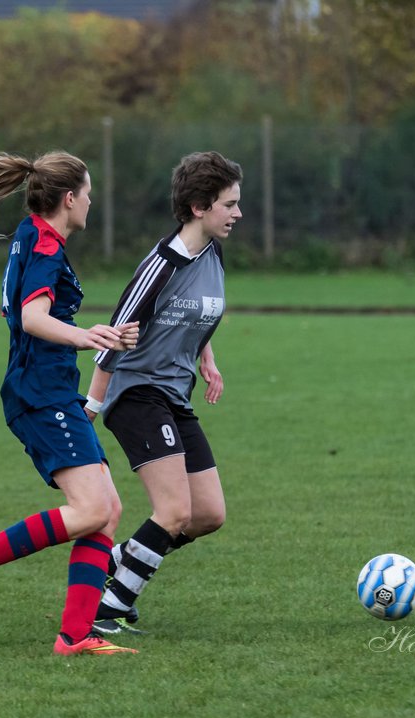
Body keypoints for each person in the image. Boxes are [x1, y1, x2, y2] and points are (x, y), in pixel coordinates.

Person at [0, 129, 140, 655]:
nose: (91, 201)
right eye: (88, 193)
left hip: (46, 389)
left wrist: (98, 335)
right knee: (93, 509)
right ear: (69, 198)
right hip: (40, 394)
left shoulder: (30, 233)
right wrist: (87, 336)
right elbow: (32, 317)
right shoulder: (44, 244)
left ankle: (75, 635)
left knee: (106, 509)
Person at [83, 151, 243, 635]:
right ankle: (109, 607)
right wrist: (91, 404)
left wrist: (206, 356)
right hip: (136, 394)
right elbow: (115, 334)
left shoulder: (213, 251)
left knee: (208, 514)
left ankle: (119, 561)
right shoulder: (161, 266)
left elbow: (198, 311)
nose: (237, 214)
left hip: (174, 395)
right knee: (174, 512)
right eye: (229, 204)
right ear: (199, 207)